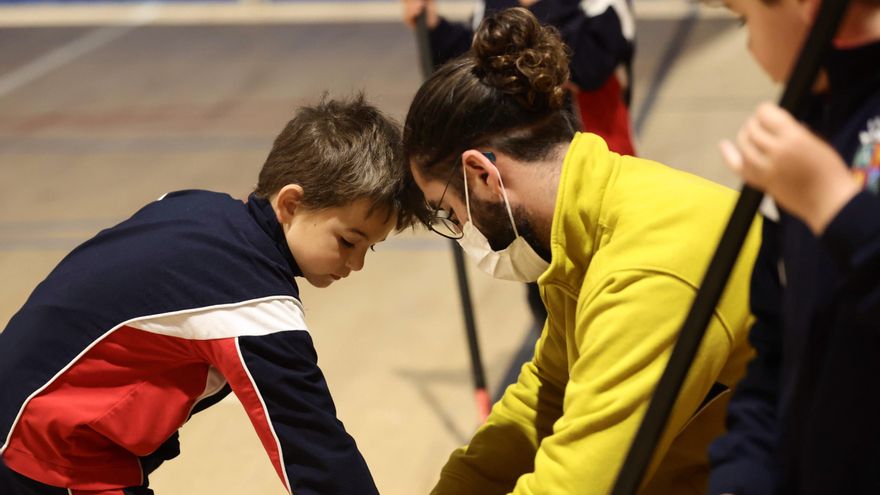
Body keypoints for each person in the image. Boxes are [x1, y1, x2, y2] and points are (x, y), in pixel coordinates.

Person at [401, 7, 761, 494]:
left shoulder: (646, 267)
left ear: (482, 175)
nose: (461, 229)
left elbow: (578, 484)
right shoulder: (586, 224)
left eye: (448, 212)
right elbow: (547, 394)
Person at [0, 94, 426, 495]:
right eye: (349, 241)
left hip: (35, 417)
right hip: (52, 449)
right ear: (291, 204)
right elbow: (313, 447)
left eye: (370, 247)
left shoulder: (196, 207)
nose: (357, 264)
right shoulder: (253, 300)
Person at [704, 1, 880, 494]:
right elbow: (780, 350)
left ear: (809, 7)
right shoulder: (811, 123)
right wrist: (742, 476)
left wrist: (833, 204)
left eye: (744, 19)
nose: (750, 48)